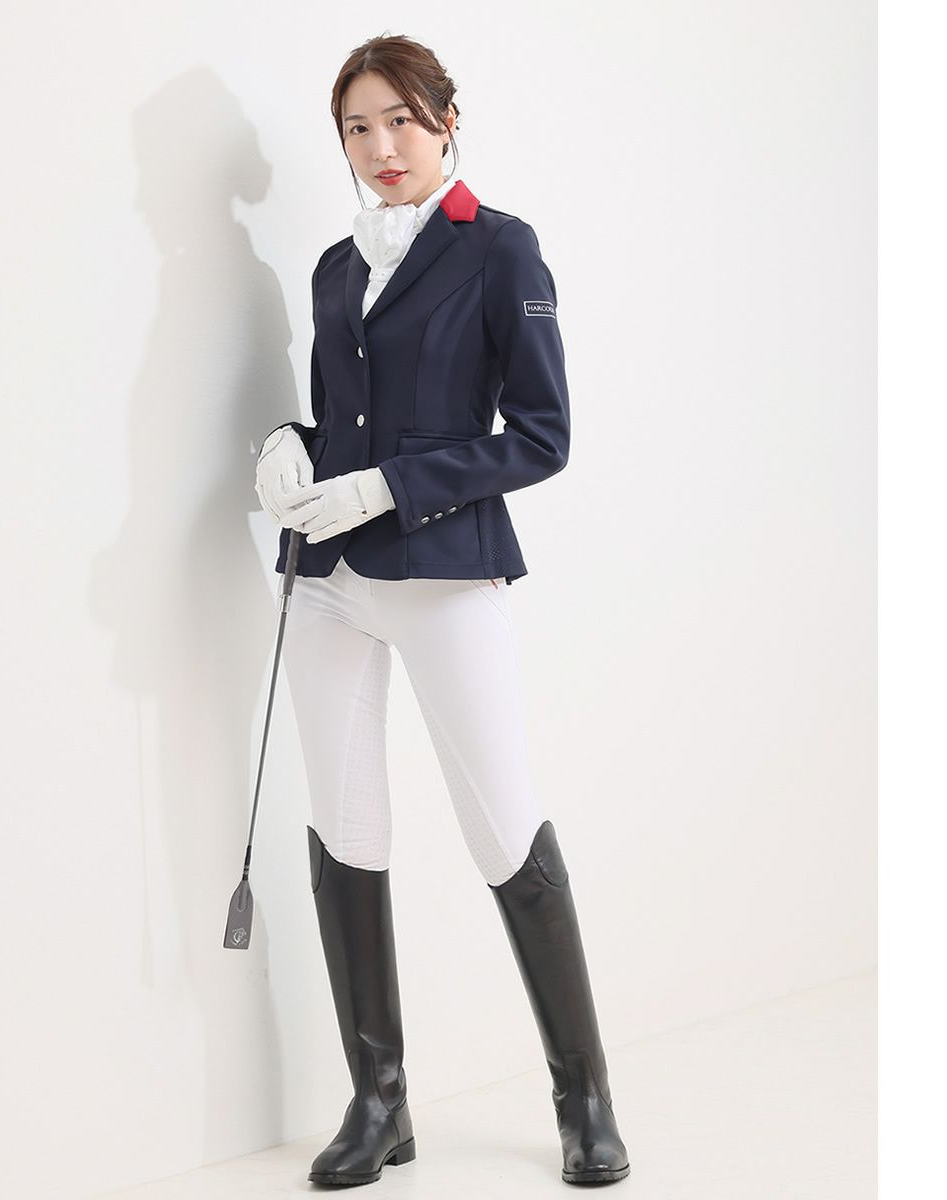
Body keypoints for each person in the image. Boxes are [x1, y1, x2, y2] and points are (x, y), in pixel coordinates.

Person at [253, 33, 631, 1188]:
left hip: (444, 571)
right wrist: (287, 445)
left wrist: (391, 486)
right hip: (329, 582)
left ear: (447, 120)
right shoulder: (334, 267)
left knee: (502, 823)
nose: (382, 146)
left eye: (402, 121)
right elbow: (347, 419)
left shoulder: (498, 247)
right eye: (358, 128)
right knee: (345, 829)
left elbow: (542, 436)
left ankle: (584, 1099)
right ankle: (380, 1103)